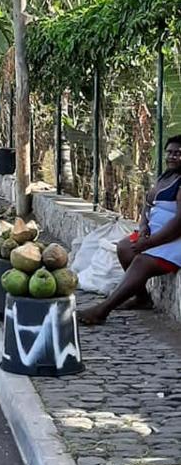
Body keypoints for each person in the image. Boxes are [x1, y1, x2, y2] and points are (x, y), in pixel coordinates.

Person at [79, 135, 181, 326]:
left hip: (174, 241)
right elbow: (147, 207)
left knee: (142, 261)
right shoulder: (165, 177)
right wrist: (143, 227)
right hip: (154, 234)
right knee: (125, 247)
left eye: (178, 154)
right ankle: (142, 298)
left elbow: (178, 224)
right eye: (170, 152)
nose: (173, 157)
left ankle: (102, 310)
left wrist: (149, 243)